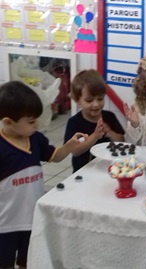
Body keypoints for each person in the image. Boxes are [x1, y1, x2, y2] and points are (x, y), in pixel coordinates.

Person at [0, 81, 86, 269]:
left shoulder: (36, 139)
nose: (37, 124)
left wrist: (69, 146)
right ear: (8, 122)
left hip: (32, 219)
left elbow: (54, 156)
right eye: (31, 121)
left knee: (29, 261)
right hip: (5, 225)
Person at [64, 69, 125, 172]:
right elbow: (75, 151)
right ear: (78, 100)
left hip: (109, 170)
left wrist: (110, 133)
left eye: (100, 99)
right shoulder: (74, 122)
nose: (96, 104)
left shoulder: (109, 117)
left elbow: (122, 141)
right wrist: (95, 136)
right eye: (89, 100)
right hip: (83, 173)